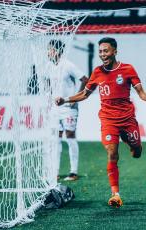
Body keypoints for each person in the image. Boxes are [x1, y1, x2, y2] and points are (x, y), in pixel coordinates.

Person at [55, 37, 146, 207]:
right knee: (112, 153)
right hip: (108, 119)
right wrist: (65, 99)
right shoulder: (97, 72)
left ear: (115, 51)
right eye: (101, 51)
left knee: (137, 153)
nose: (103, 54)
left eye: (106, 51)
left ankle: (132, 143)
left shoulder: (127, 69)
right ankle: (115, 194)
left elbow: (141, 92)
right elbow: (84, 94)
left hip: (127, 119)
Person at [47, 39, 88, 181]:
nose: (49, 52)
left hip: (69, 107)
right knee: (56, 139)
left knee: (70, 136)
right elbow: (51, 85)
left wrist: (75, 98)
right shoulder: (50, 67)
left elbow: (85, 79)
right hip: (55, 108)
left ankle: (73, 172)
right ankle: (55, 171)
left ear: (58, 51)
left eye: (51, 49)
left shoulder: (68, 65)